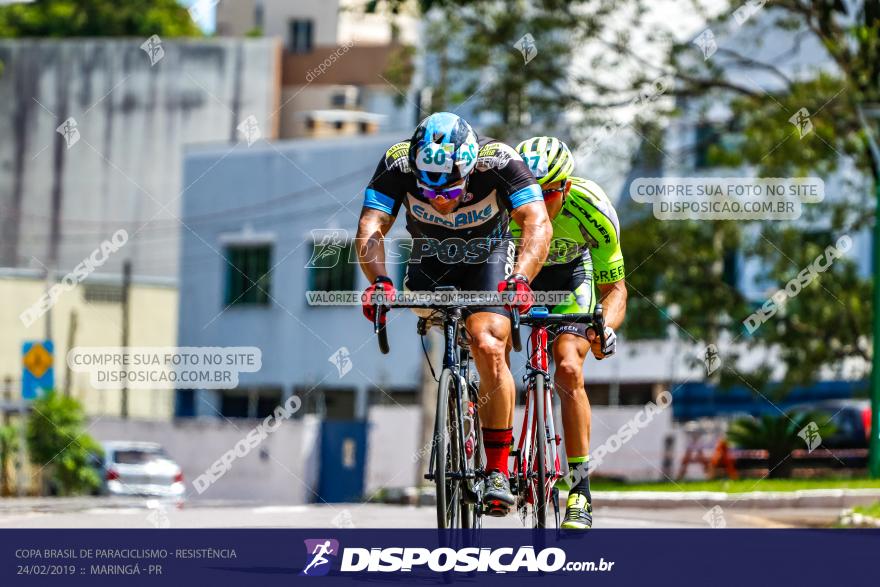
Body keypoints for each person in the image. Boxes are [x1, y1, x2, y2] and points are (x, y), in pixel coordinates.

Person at [356, 113, 552, 515]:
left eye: (450, 187)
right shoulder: (397, 162)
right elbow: (371, 226)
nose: (440, 199)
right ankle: (458, 399)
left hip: (488, 259)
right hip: (429, 259)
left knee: (488, 342)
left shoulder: (498, 160)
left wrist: (521, 279)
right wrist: (378, 281)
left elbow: (537, 222)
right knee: (434, 315)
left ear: (470, 164)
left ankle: (497, 469)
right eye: (428, 189)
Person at [512, 136, 627, 529]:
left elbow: (615, 290)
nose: (536, 204)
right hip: (518, 276)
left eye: (546, 195)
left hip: (569, 280)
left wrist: (603, 327)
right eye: (528, 194)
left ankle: (579, 490)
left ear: (566, 187)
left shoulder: (591, 207)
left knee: (568, 367)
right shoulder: (503, 202)